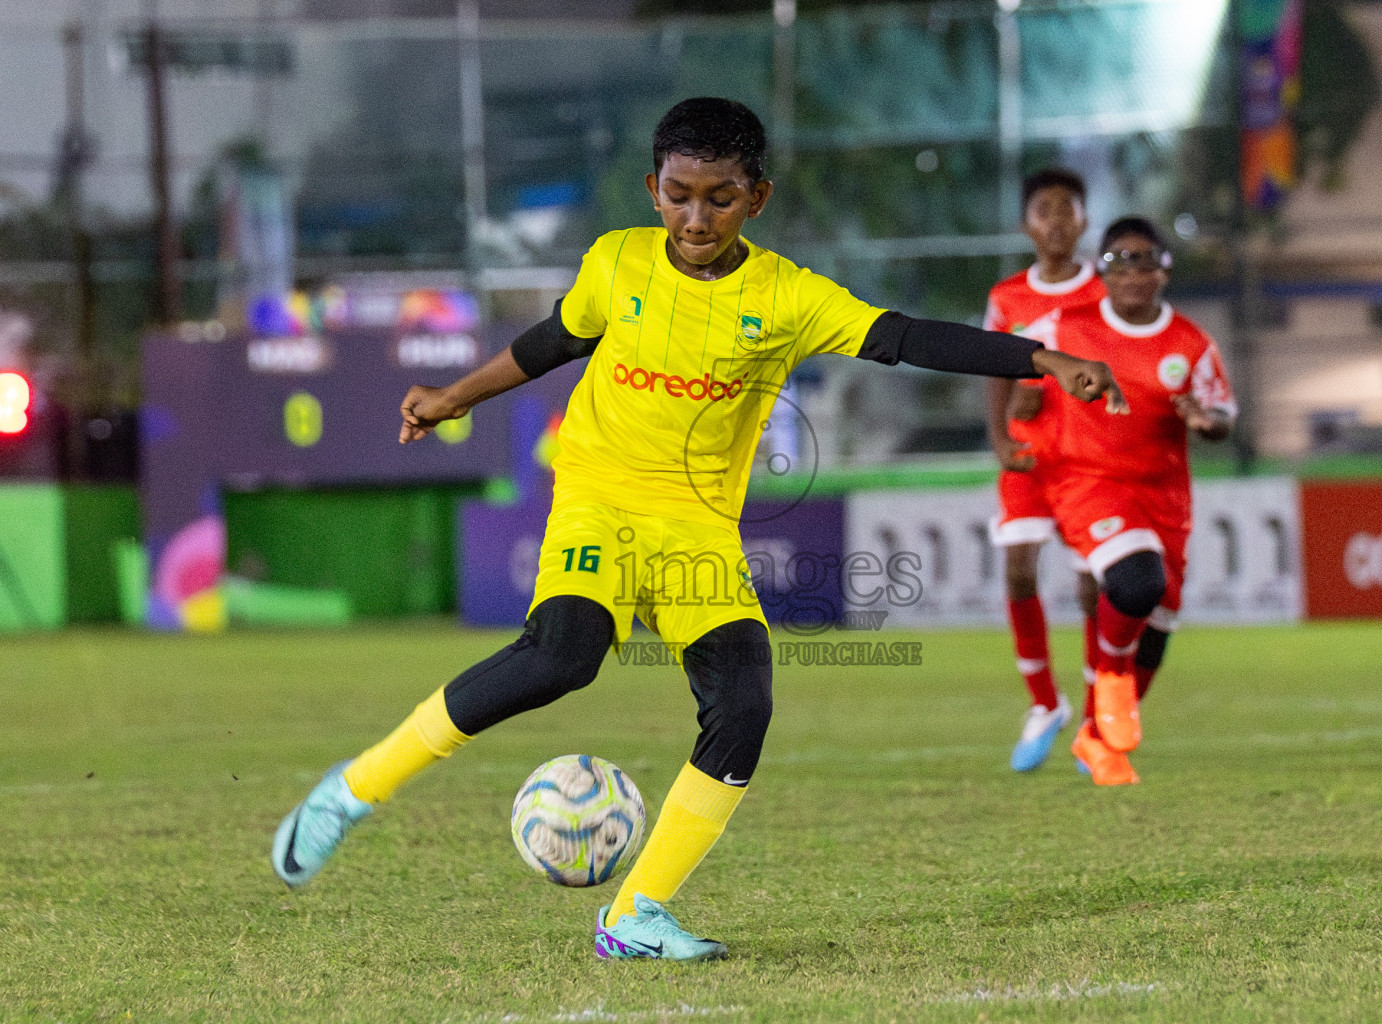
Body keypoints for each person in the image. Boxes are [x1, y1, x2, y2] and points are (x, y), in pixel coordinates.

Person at [270, 97, 1126, 961]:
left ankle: (635, 912)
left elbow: (904, 337)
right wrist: (455, 396)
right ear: (652, 189)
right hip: (597, 499)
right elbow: (555, 340)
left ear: (757, 197)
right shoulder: (618, 262)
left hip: (697, 532)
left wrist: (1041, 357)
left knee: (744, 706)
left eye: (719, 197)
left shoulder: (787, 296)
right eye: (679, 194)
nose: (695, 217)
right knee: (562, 656)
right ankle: (351, 791)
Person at [1032, 216, 1235, 786]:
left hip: (1164, 495)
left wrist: (1204, 421)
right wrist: (1013, 429)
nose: (1134, 272)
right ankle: (1111, 680)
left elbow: (1222, 414)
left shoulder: (1191, 344)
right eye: (1121, 260)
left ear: (1165, 271)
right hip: (1087, 482)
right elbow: (1013, 363)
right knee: (1135, 581)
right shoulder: (1064, 326)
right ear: (1103, 272)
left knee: (1161, 620)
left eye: (1146, 260)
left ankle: (1095, 736)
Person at [982, 168, 1106, 772]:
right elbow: (994, 370)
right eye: (1044, 209)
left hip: (1089, 458)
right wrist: (1001, 433)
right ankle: (1044, 704)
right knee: (1017, 569)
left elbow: (1120, 368)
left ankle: (1094, 719)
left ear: (1084, 219)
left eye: (1067, 207)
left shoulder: (1106, 292)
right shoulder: (1008, 297)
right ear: (1026, 224)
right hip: (1031, 452)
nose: (1056, 219)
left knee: (1092, 588)